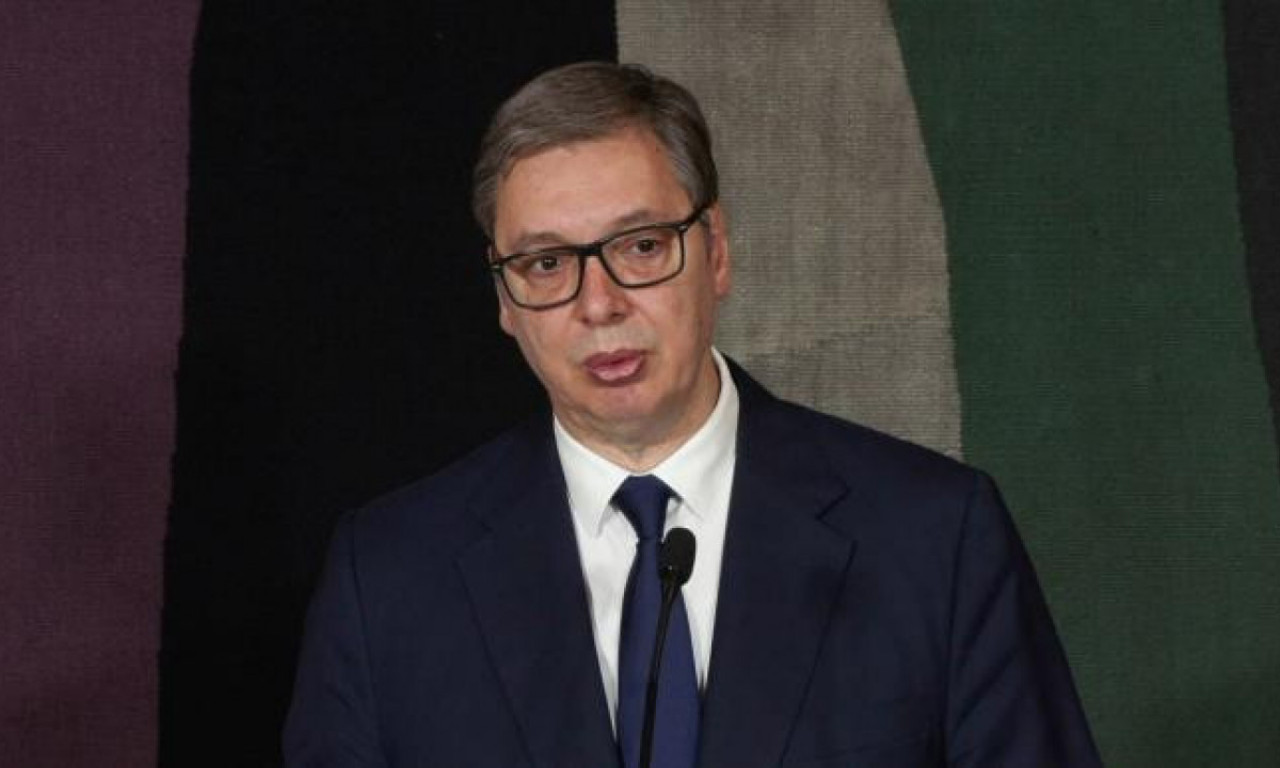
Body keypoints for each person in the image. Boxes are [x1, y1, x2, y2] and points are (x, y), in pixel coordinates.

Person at [284, 61, 1103, 768]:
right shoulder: (388, 578)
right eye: (546, 263)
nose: (598, 304)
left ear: (715, 250)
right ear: (503, 296)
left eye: (640, 246)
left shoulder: (934, 538)